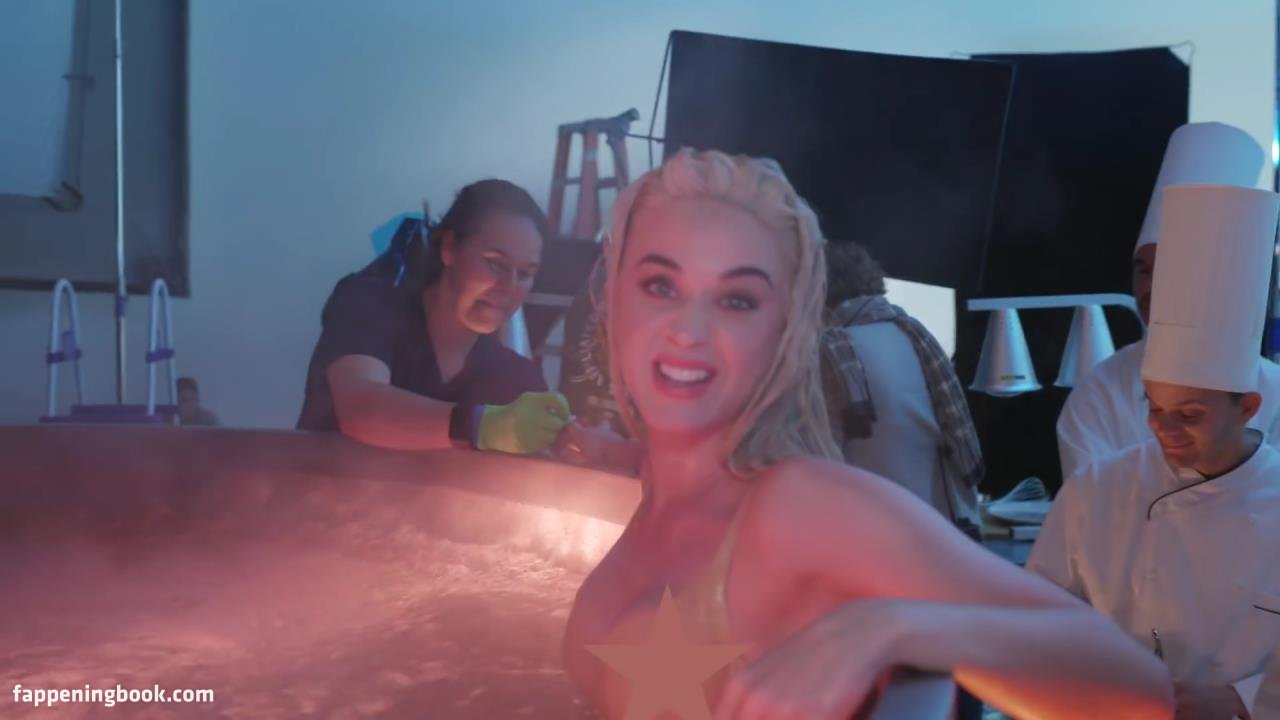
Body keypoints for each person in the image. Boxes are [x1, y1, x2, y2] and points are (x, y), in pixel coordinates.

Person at [562, 149, 1173, 719]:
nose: (688, 330)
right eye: (660, 286)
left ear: (784, 333)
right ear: (613, 296)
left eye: (737, 300)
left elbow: (1137, 687)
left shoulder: (795, 506)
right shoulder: (653, 502)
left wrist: (893, 625)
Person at [1029, 184, 1280, 720]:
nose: (1164, 430)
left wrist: (1239, 700)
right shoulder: (1099, 488)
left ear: (1248, 407)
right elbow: (1037, 611)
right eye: (1154, 407)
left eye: (1188, 414)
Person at [1057, 122, 1280, 480]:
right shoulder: (1101, 392)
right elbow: (1087, 501)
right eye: (1144, 271)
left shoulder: (1274, 392)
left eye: (1169, 272)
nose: (1151, 288)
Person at [296, 179, 570, 455]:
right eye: (495, 263)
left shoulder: (515, 378)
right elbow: (361, 410)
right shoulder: (370, 306)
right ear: (449, 247)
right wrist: (479, 426)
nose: (508, 288)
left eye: (524, 274)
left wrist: (574, 444)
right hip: (311, 481)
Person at [820, 240, 982, 530]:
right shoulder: (913, 335)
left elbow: (818, 459)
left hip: (876, 531)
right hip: (942, 525)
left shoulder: (832, 351)